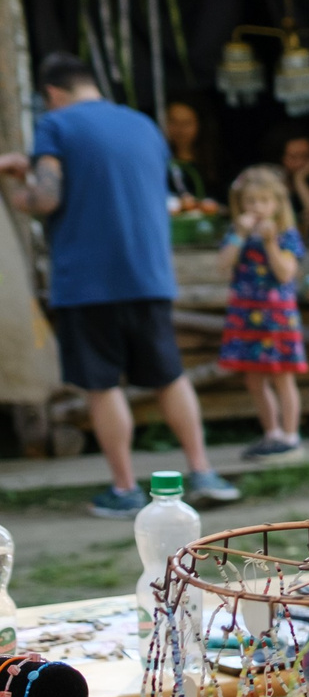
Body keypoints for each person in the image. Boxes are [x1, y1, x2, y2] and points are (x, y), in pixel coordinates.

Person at [0, 54, 237, 515]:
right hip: (148, 273)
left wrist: (15, 185)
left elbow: (47, 197)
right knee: (169, 375)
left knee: (103, 385)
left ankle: (126, 489)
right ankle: (203, 472)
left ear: (52, 93)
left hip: (89, 280)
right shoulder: (144, 125)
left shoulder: (56, 125)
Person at [215, 165, 307, 462]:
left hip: (276, 316)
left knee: (282, 377)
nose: (257, 208)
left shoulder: (286, 235)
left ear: (277, 204)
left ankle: (291, 436)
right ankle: (272, 434)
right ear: (241, 203)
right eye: (251, 201)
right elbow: (223, 265)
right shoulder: (236, 233)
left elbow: (285, 274)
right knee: (254, 380)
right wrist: (240, 234)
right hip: (245, 315)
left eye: (264, 201)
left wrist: (269, 243)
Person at [160, 100, 216, 215]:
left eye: (186, 123)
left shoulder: (215, 161)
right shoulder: (159, 161)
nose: (180, 129)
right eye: (173, 122)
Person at [279, 130, 309, 232]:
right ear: (282, 159)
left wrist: (300, 181)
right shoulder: (275, 185)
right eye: (293, 157)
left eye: (305, 156)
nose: (300, 163)